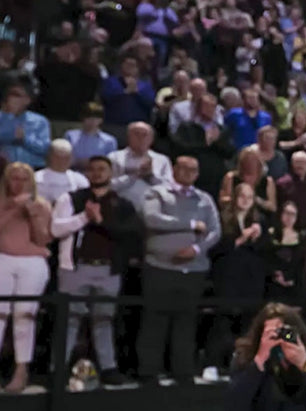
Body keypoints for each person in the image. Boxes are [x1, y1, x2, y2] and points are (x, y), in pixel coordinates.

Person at [50, 156, 142, 388]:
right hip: (75, 268)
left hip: (108, 270)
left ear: (111, 173)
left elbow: (129, 235)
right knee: (69, 320)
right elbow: (56, 228)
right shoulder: (72, 198)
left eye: (102, 169)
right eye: (92, 169)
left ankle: (108, 368)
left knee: (104, 320)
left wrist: (100, 221)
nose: (97, 173)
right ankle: (57, 370)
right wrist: (84, 217)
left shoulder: (123, 204)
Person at [136, 156, 221, 385]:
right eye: (184, 168)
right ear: (174, 169)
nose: (189, 173)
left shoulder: (204, 199)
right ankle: (149, 371)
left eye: (194, 170)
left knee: (186, 322)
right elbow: (151, 219)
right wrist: (190, 225)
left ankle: (183, 372)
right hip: (160, 267)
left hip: (193, 270)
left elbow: (215, 231)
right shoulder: (157, 193)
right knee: (155, 321)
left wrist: (196, 248)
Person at [0, 162, 52, 392]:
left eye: (23, 179)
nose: (18, 183)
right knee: (0, 315)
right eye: (14, 178)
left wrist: (33, 216)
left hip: (32, 263)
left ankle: (21, 372)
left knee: (24, 315)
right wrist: (12, 207)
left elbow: (42, 240)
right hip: (3, 258)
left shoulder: (41, 204)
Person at [206, 182, 269, 371]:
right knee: (223, 322)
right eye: (242, 196)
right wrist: (239, 239)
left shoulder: (259, 221)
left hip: (250, 281)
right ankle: (214, 364)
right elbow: (215, 248)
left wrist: (259, 237)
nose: (245, 201)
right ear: (235, 197)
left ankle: (243, 365)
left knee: (248, 324)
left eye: (250, 198)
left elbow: (266, 252)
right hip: (227, 277)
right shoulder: (222, 218)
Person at [0, 83, 51, 169]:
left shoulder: (40, 121)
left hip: (32, 169)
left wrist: (25, 139)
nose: (11, 98)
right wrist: (11, 134)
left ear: (27, 100)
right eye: (10, 94)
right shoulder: (1, 118)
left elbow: (45, 149)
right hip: (4, 168)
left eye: (16, 95)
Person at [34, 139, 89, 205]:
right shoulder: (36, 178)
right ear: (50, 156)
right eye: (58, 157)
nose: (62, 161)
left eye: (66, 157)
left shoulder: (80, 180)